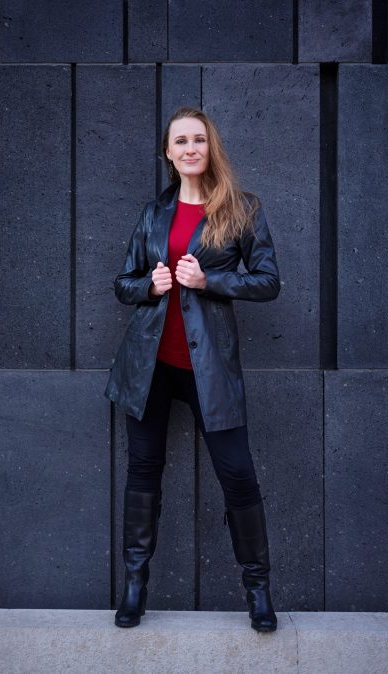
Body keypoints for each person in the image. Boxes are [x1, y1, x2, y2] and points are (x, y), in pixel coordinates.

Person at [104, 106, 281, 632]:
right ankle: (135, 587)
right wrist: (148, 287)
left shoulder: (242, 209)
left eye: (198, 140)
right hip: (150, 364)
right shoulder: (152, 214)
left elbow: (268, 282)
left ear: (211, 148)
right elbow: (123, 282)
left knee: (238, 477)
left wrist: (211, 282)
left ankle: (259, 592)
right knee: (143, 474)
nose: (190, 149)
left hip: (209, 371)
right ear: (168, 153)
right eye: (180, 141)